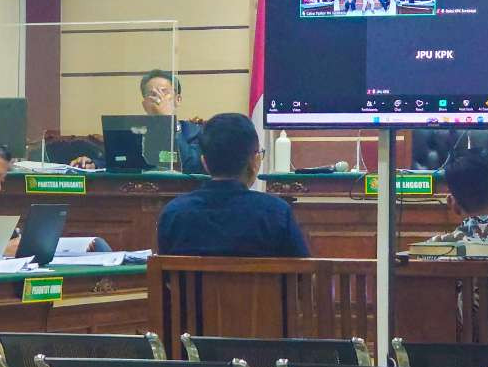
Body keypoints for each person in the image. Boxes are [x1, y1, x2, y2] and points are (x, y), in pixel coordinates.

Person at [157, 113, 309, 257]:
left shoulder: (174, 214)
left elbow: (165, 279)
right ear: (254, 161)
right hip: (254, 286)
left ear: (205, 163)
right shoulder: (276, 213)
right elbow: (304, 275)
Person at [70, 69, 204, 174]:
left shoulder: (194, 131)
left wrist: (166, 120)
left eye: (164, 93)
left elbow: (191, 166)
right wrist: (93, 164)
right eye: (152, 94)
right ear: (144, 104)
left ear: (178, 99)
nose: (158, 99)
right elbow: (118, 162)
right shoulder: (134, 131)